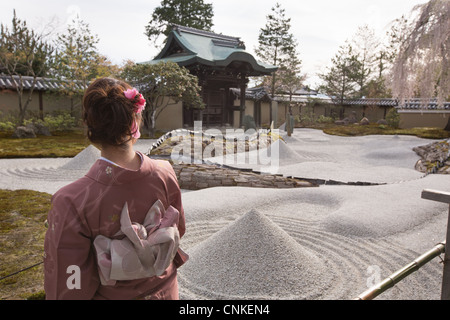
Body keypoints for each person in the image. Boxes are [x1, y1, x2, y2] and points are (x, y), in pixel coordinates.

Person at [44, 77, 188, 300]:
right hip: (166, 292)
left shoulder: (71, 200)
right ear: (136, 120)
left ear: (89, 125)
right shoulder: (164, 172)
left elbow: (69, 283)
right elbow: (178, 229)